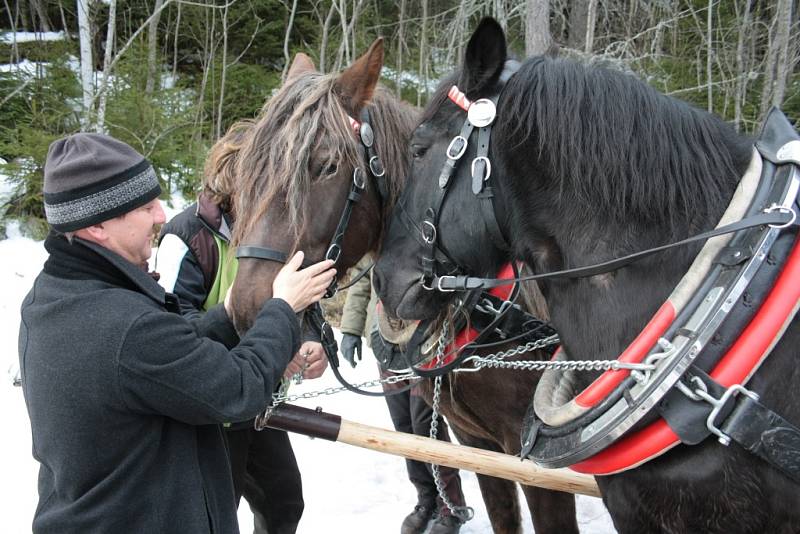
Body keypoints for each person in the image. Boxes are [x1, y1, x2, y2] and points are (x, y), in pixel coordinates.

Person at [18, 132, 335, 533]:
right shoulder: (124, 324)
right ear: (98, 225)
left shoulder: (55, 296)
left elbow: (164, 358)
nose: (161, 215)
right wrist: (282, 308)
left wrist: (228, 313)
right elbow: (237, 389)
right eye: (145, 206)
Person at [155, 121, 325, 534]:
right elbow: (176, 334)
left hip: (257, 404)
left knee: (284, 502)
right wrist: (258, 335)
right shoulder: (185, 235)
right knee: (215, 518)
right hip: (208, 414)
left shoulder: (280, 231)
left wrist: (308, 341)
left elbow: (304, 303)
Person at [339, 256, 467, 534]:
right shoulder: (376, 229)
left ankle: (451, 505)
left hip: (423, 340)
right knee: (403, 428)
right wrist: (350, 329)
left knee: (426, 426)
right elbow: (362, 280)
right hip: (385, 341)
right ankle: (426, 499)